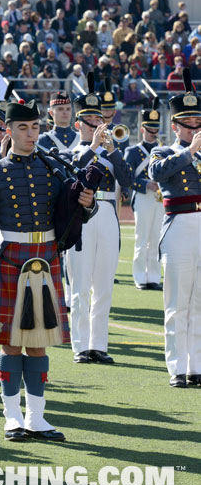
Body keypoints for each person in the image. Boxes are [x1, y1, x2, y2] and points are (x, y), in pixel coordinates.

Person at [0, 98, 95, 442]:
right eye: (23, 128)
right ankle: (12, 416)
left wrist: (88, 204)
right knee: (11, 343)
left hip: (46, 259)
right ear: (9, 131)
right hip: (10, 260)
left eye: (35, 128)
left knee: (39, 344)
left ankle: (36, 417)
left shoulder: (53, 168)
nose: (31, 134)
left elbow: (73, 211)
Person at [66, 81, 132, 365]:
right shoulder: (71, 150)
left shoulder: (113, 151)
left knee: (104, 284)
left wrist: (113, 150)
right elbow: (72, 174)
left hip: (107, 212)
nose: (97, 126)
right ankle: (80, 345)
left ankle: (99, 344)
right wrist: (94, 147)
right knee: (80, 284)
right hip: (80, 215)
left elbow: (130, 183)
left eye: (99, 120)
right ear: (78, 123)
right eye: (91, 121)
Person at [149, 74, 201, 388]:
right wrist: (189, 152)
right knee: (178, 302)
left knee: (199, 302)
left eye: (198, 122)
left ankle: (197, 365)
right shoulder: (163, 151)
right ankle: (177, 367)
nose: (195, 128)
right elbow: (157, 173)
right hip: (179, 225)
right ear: (176, 126)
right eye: (189, 123)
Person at [125, 102, 164, 291]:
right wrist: (145, 184)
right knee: (142, 239)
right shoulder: (132, 152)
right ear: (142, 129)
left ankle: (154, 277)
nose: (153, 133)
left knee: (156, 239)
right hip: (142, 197)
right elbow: (127, 178)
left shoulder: (163, 150)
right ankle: (140, 277)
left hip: (160, 198)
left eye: (156, 130)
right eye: (150, 130)